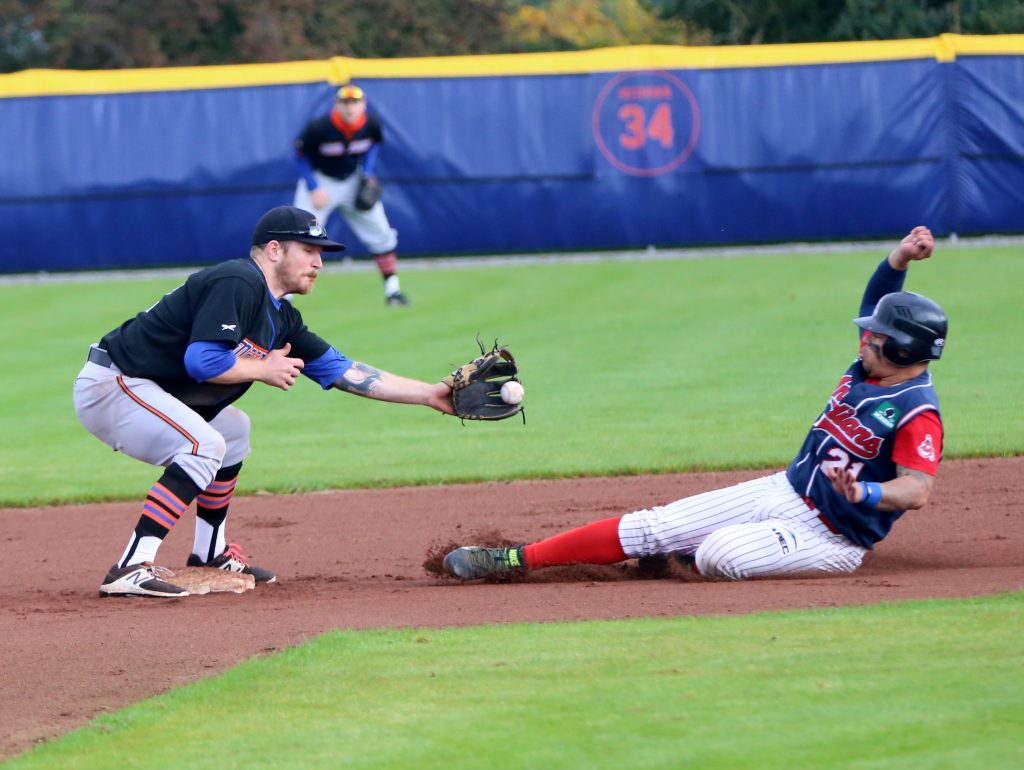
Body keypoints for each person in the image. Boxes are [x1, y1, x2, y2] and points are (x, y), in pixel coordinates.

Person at [444, 226, 947, 581]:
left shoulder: (916, 410)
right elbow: (876, 300)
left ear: (903, 350)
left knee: (719, 555)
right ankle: (514, 559)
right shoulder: (868, 366)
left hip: (834, 538)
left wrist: (868, 496)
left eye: (875, 337)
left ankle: (683, 554)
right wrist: (898, 258)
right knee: (652, 525)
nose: (863, 339)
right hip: (784, 490)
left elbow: (917, 490)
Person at [75, 205, 454, 598]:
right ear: (274, 250)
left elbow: (345, 372)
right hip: (115, 383)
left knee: (233, 431)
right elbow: (201, 361)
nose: (319, 262)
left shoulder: (282, 318)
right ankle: (131, 565)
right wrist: (263, 368)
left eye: (321, 253)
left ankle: (209, 552)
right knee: (204, 445)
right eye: (309, 250)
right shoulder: (238, 280)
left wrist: (429, 394)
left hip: (146, 390)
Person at [293, 83, 409, 306]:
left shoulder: (371, 124)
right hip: (321, 180)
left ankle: (392, 291)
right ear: (336, 105)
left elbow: (374, 146)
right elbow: (299, 155)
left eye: (354, 102)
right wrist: (313, 186)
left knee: (382, 233)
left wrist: (367, 173)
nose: (350, 108)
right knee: (300, 237)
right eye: (345, 103)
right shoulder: (319, 127)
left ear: (363, 104)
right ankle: (285, 297)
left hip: (352, 179)